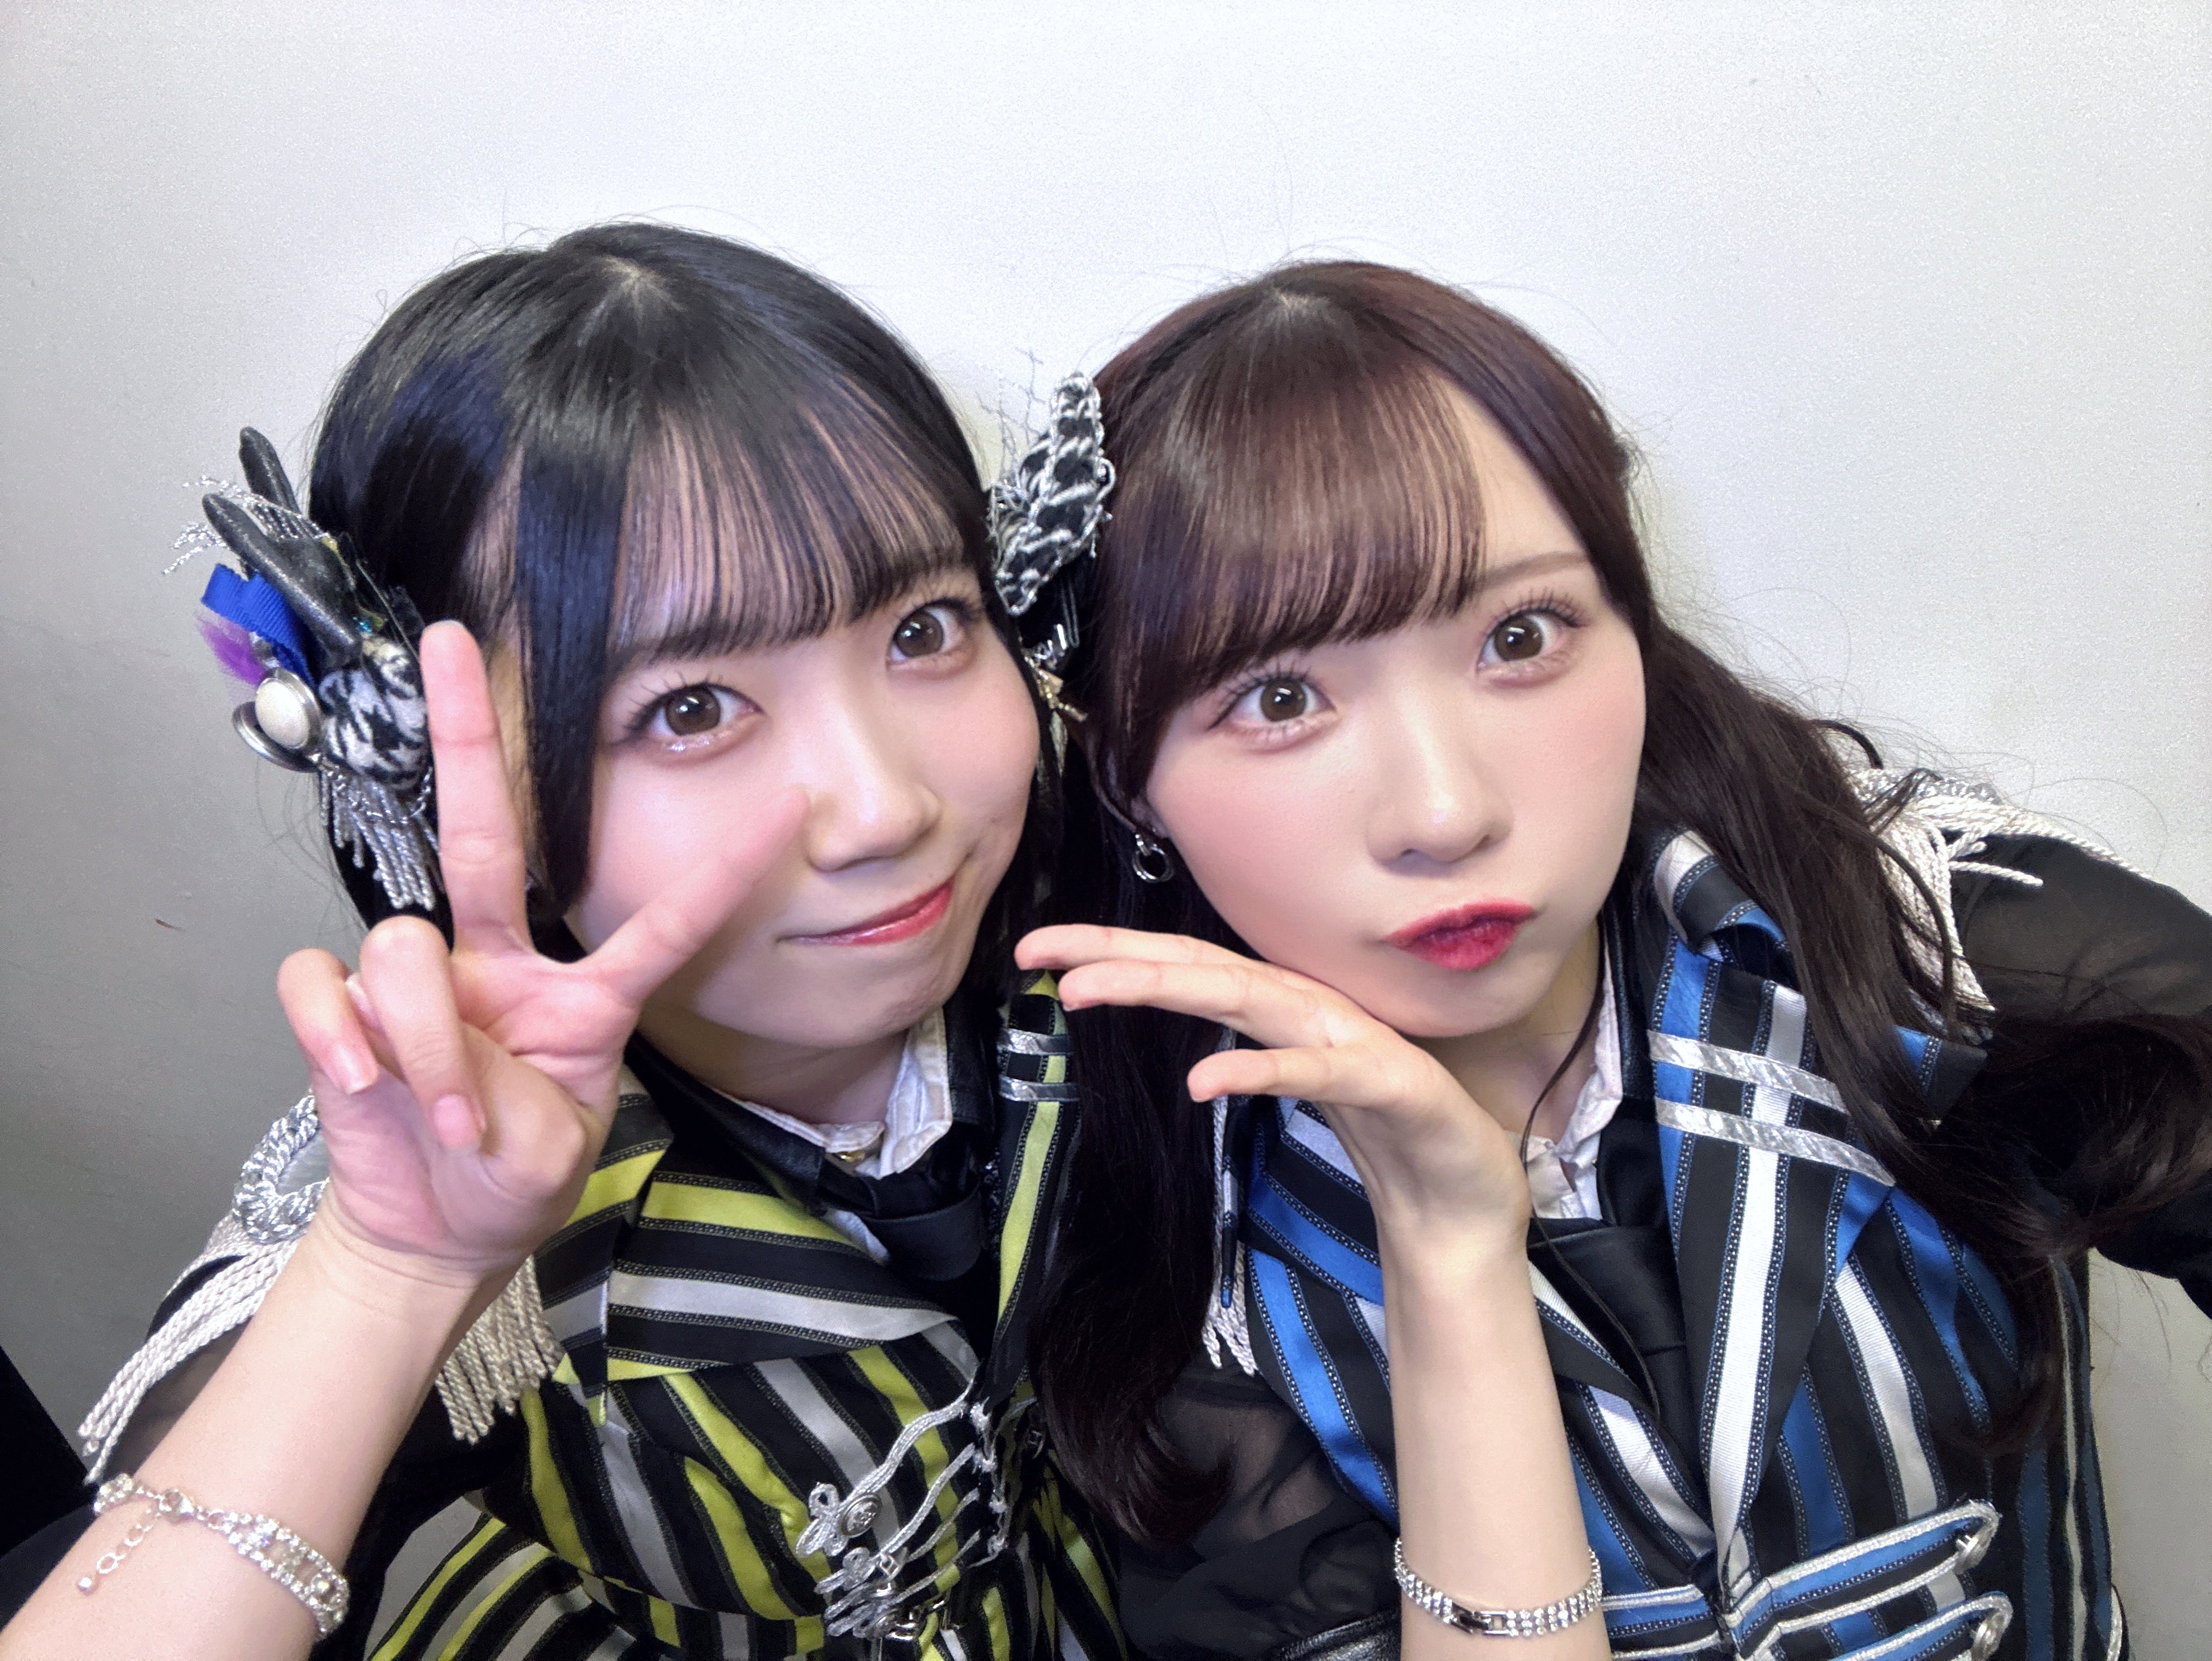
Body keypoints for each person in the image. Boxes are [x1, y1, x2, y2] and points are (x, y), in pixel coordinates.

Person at [1019, 262, 2212, 1661]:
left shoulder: (1931, 940)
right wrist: (1450, 1256)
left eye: (1518, 637)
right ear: (1128, 777)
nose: (1444, 812)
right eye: (1281, 698)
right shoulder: (1147, 1232)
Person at [2, 224, 1122, 1661]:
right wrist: (391, 1273)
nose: (885, 809)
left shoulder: (1098, 944)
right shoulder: (434, 1169)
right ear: (445, 767)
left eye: (923, 629)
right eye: (690, 708)